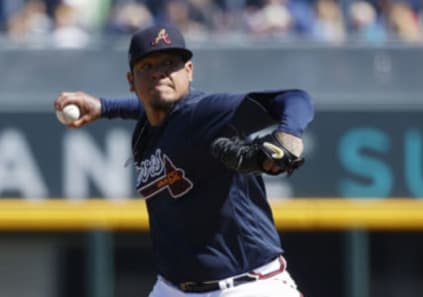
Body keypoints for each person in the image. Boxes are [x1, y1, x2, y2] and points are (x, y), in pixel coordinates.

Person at [54, 23, 314, 297]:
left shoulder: (206, 113)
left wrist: (289, 135)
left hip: (247, 286)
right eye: (147, 66)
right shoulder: (149, 124)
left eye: (170, 64)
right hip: (172, 289)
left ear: (188, 71)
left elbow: (294, 98)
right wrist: (104, 107)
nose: (160, 73)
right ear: (132, 81)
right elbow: (146, 107)